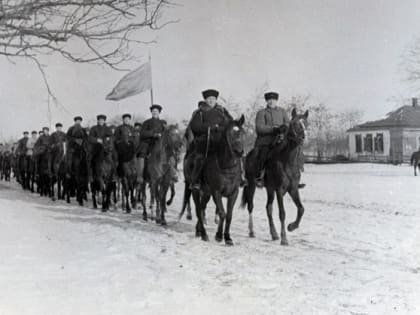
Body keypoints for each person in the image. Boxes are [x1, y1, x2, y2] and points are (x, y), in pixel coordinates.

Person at [189, 89, 244, 190]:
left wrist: (220, 128)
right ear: (205, 100)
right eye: (209, 99)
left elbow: (230, 124)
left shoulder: (222, 111)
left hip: (221, 140)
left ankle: (240, 177)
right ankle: (196, 180)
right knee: (200, 158)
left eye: (213, 99)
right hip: (205, 140)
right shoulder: (199, 112)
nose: (211, 101)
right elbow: (194, 126)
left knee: (235, 153)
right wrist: (209, 127)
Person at [138, 105, 167, 184]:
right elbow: (142, 133)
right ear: (151, 112)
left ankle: (171, 174)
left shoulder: (162, 123)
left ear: (159, 113)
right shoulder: (146, 122)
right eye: (153, 111)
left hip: (159, 144)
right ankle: (140, 176)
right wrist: (152, 133)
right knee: (142, 155)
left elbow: (166, 134)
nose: (155, 113)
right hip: (148, 144)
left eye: (156, 112)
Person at [88, 114, 113, 182]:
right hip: (96, 147)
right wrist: (97, 140)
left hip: (106, 147)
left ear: (104, 121)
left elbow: (111, 137)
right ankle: (91, 175)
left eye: (103, 120)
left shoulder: (108, 129)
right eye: (100, 120)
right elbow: (90, 138)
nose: (101, 121)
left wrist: (108, 139)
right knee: (91, 159)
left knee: (112, 160)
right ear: (98, 120)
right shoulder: (94, 128)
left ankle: (113, 175)